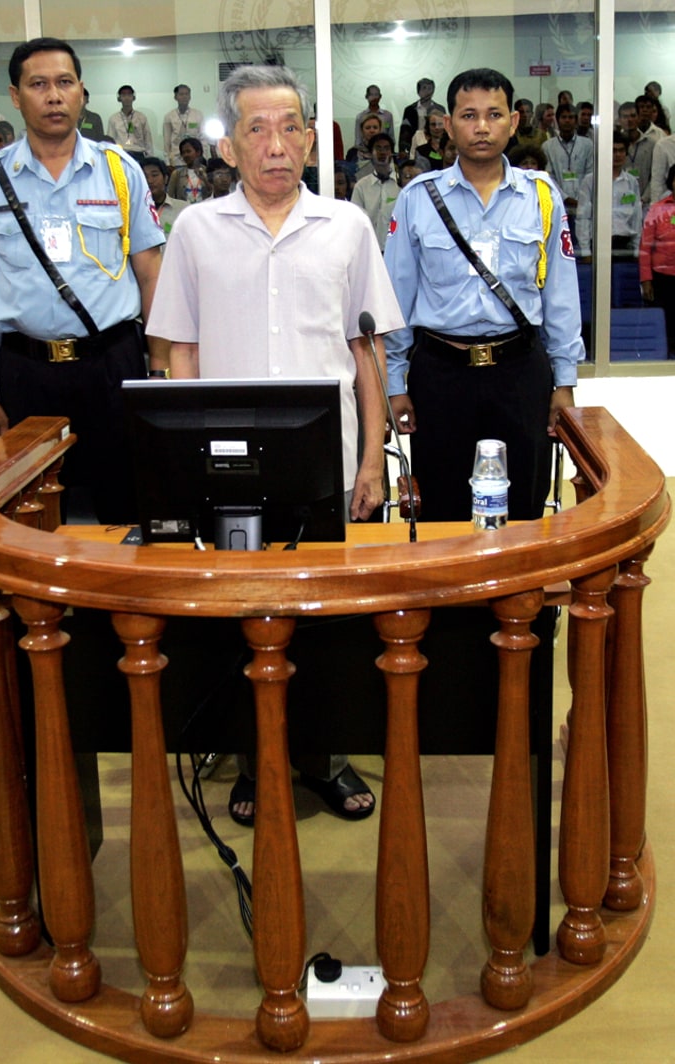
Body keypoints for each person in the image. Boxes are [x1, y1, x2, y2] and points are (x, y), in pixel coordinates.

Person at [147, 63, 405, 825]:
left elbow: (368, 352)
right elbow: (179, 353)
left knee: (328, 621)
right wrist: (184, 466)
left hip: (329, 461)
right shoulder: (194, 230)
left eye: (290, 125)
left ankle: (324, 756)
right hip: (227, 466)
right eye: (256, 128)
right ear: (228, 147)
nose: (276, 144)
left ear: (309, 137)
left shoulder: (347, 226)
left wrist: (371, 462)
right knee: (244, 620)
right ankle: (255, 757)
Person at [0, 37, 167, 525]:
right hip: (27, 372)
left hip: (113, 365)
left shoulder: (120, 171)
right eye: (39, 84)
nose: (54, 95)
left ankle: (115, 604)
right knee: (32, 513)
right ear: (15, 95)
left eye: (65, 83)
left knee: (124, 508)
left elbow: (152, 276)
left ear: (82, 92)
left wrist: (158, 376)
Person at [383, 67, 584, 524]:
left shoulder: (541, 196)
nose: (481, 126)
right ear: (447, 124)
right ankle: (452, 599)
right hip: (441, 375)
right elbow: (395, 298)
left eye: (494, 114)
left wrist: (564, 382)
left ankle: (523, 598)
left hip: (520, 374)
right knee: (444, 509)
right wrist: (396, 384)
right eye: (468, 115)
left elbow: (561, 297)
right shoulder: (418, 198)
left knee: (525, 507)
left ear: (513, 122)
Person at [575, 132, 641, 261]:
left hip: (624, 245)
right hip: (598, 243)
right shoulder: (590, 181)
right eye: (613, 150)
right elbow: (583, 217)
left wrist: (637, 249)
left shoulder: (631, 182)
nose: (617, 155)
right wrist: (585, 251)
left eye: (621, 150)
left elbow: (637, 218)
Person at [543, 103, 594, 238]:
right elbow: (549, 176)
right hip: (559, 204)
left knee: (582, 243)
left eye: (571, 117)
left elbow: (590, 173)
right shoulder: (548, 146)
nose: (567, 120)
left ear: (576, 121)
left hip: (583, 204)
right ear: (557, 120)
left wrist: (581, 198)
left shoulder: (587, 144)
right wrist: (565, 198)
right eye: (563, 117)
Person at [639, 162, 675, 354]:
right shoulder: (658, 209)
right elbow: (645, 247)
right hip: (663, 278)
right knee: (667, 323)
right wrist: (646, 280)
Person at [350, 132, 399, 251]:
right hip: (368, 249)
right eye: (378, 148)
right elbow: (355, 221)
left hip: (395, 248)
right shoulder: (361, 186)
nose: (382, 152)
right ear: (370, 153)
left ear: (391, 153)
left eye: (386, 148)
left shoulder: (400, 183)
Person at [141, 156, 187, 240]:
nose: (149, 181)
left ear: (166, 179)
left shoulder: (183, 209)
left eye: (154, 175)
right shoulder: (133, 211)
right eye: (144, 176)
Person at [162, 84, 208, 166]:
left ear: (190, 97)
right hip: (176, 158)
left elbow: (203, 138)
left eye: (187, 94)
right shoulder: (169, 116)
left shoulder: (198, 115)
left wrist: (203, 157)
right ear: (175, 97)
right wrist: (167, 161)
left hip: (195, 158)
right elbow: (167, 141)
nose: (184, 97)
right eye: (181, 94)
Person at [399, 77, 446, 155]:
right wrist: (403, 150)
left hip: (436, 148)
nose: (427, 92)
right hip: (415, 147)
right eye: (424, 88)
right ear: (418, 91)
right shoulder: (410, 110)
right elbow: (404, 132)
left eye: (430, 89)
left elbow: (444, 132)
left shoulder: (440, 109)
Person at [107, 84, 153, 161]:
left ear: (133, 97)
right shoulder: (113, 118)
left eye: (129, 94)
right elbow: (110, 141)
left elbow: (148, 139)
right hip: (121, 154)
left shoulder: (141, 117)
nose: (127, 98)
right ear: (119, 98)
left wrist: (150, 158)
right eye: (124, 95)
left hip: (139, 154)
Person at [167, 136, 209, 202]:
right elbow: (169, 197)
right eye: (183, 153)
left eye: (188, 151)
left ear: (198, 152)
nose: (185, 155)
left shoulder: (207, 171)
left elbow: (213, 193)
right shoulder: (177, 174)